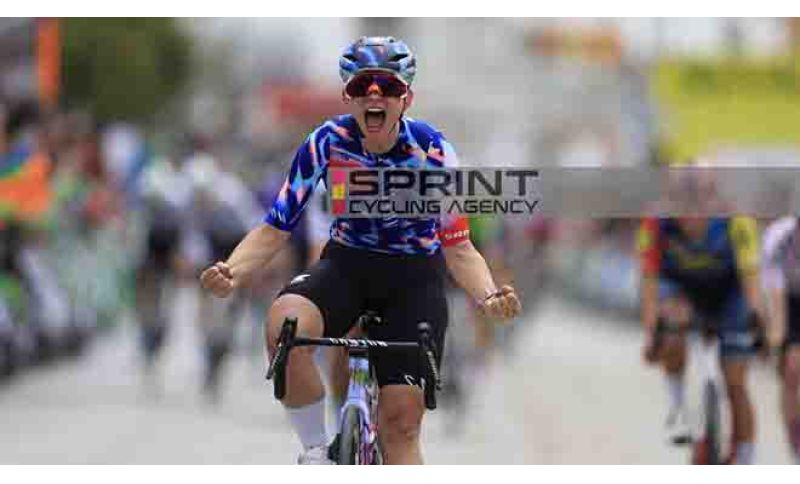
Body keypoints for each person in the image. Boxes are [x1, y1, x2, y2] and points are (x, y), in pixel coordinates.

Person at [200, 36, 521, 464]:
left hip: (413, 279)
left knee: (400, 426)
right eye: (361, 86)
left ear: (406, 98)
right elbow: (275, 228)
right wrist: (233, 270)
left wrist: (488, 295)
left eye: (387, 87)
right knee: (285, 326)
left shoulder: (433, 151)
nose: (374, 95)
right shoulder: (325, 142)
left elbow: (459, 248)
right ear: (347, 96)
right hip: (346, 266)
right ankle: (316, 452)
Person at [638, 208, 768, 464]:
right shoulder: (655, 224)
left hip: (729, 294)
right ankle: (678, 408)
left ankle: (746, 458)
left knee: (736, 381)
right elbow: (649, 279)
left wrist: (757, 325)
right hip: (682, 291)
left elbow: (751, 278)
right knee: (673, 325)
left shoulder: (738, 221)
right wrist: (652, 333)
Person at [760, 216, 800, 463]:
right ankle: (795, 439)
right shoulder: (779, 237)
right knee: (792, 368)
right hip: (787, 300)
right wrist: (775, 336)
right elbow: (773, 292)